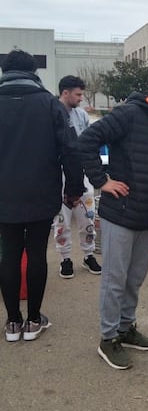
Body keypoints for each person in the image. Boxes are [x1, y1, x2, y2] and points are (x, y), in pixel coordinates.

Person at [78, 66, 148, 370]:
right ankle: (108, 338)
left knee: (134, 278)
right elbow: (86, 141)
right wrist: (101, 180)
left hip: (146, 215)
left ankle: (126, 327)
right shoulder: (128, 114)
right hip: (119, 213)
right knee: (114, 279)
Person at [0, 50, 84, 342]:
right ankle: (34, 320)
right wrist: (74, 189)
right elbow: (71, 150)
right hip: (41, 192)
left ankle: (12, 323)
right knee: (36, 253)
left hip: (4, 197)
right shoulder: (50, 104)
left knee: (9, 254)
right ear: (33, 71)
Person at [53, 75, 101, 278]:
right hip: (59, 176)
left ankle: (88, 254)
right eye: (78, 94)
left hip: (82, 176)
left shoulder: (81, 115)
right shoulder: (51, 113)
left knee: (88, 217)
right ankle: (65, 258)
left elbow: (89, 142)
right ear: (66, 93)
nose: (81, 98)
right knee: (62, 221)